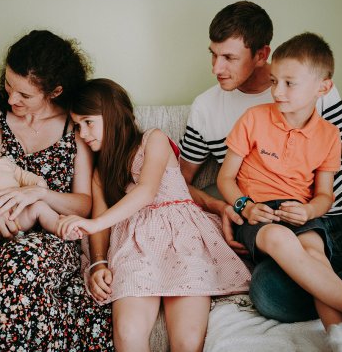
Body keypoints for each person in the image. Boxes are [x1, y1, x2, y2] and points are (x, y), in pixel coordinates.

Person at [179, 0, 342, 322]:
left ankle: (331, 291)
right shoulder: (207, 108)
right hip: (281, 223)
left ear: (261, 55)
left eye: (229, 57)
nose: (216, 68)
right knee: (269, 293)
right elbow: (179, 179)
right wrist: (223, 206)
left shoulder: (312, 85)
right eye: (213, 55)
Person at [0, 30, 113, 351]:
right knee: (17, 277)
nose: (12, 99)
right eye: (8, 85)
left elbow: (84, 204)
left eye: (25, 94)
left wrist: (40, 194)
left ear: (55, 91)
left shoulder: (73, 128)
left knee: (21, 264)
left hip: (48, 245)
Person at [219, 32, 342, 351]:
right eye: (274, 81)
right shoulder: (254, 119)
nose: (277, 91)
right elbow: (225, 178)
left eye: (289, 83)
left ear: (323, 88)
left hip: (299, 210)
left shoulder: (329, 135)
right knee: (277, 238)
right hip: (258, 212)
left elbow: (325, 196)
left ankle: (340, 335)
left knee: (315, 256)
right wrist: (244, 206)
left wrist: (310, 211)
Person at [56, 78, 250, 352]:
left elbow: (147, 191)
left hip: (182, 240)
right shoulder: (101, 171)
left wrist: (93, 223)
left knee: (187, 340)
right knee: (128, 333)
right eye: (77, 126)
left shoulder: (154, 139)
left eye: (88, 122)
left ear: (112, 114)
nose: (83, 133)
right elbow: (100, 217)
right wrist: (98, 263)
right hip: (135, 247)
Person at [0, 116, 78, 277]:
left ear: (1, 147)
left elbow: (23, 176)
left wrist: (37, 181)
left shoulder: (6, 163)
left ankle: (60, 227)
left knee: (39, 207)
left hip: (17, 215)